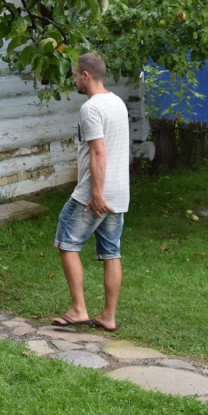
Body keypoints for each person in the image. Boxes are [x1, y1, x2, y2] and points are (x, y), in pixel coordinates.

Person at [52, 53, 129, 332]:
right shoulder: (117, 102)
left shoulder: (91, 108)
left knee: (66, 243)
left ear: (85, 75)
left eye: (74, 75)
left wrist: (96, 193)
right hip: (120, 192)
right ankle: (108, 315)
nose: (73, 80)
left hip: (95, 191)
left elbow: (98, 152)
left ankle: (78, 309)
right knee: (111, 252)